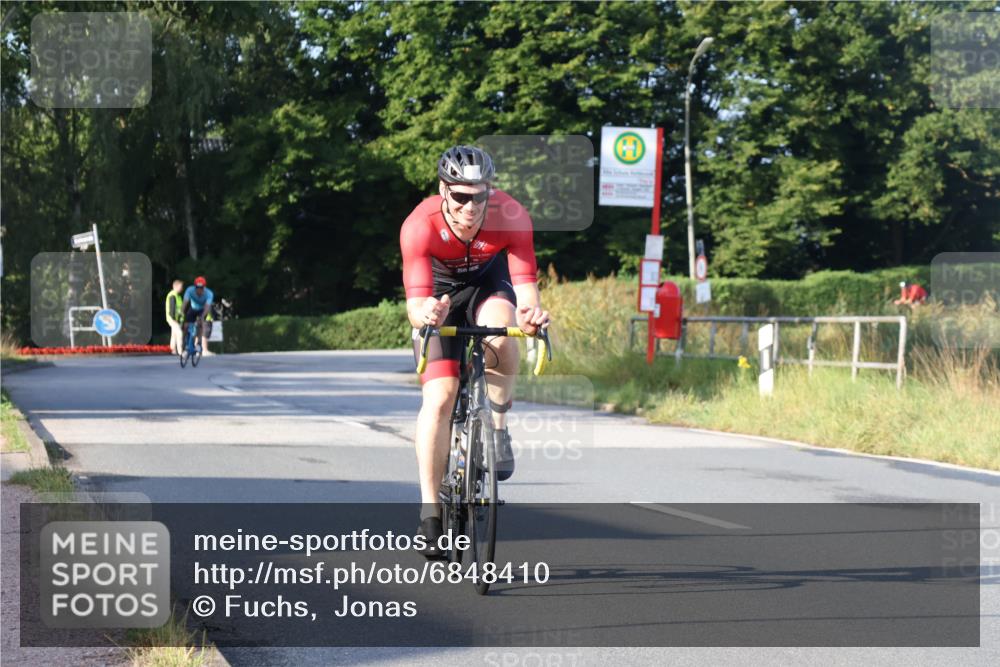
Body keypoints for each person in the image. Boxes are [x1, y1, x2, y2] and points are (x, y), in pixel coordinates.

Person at [400, 145, 550, 557]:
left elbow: (525, 292)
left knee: (503, 331)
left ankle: (498, 430)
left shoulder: (512, 215)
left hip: (489, 285)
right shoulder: (420, 225)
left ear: (490, 191)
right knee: (441, 397)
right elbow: (415, 308)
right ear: (443, 190)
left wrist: (532, 316)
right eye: (461, 196)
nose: (471, 205)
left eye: (479, 195)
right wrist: (427, 311)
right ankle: (430, 512)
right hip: (438, 290)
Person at [182, 276, 214, 354]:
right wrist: (181, 312)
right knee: (186, 325)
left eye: (201, 288)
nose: (199, 290)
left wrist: (202, 316)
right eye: (197, 288)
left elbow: (207, 307)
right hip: (193, 309)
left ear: (204, 287)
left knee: (200, 323)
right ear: (194, 287)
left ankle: (199, 343)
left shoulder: (209, 293)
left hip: (202, 309)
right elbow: (185, 302)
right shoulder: (190, 290)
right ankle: (184, 342)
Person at [165, 279, 184, 355]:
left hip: (176, 319)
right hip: (172, 319)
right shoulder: (172, 295)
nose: (182, 288)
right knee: (179, 333)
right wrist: (174, 319)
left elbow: (179, 309)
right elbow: (172, 308)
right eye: (180, 287)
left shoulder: (178, 296)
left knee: (174, 335)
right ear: (175, 286)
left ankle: (172, 350)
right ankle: (180, 351)